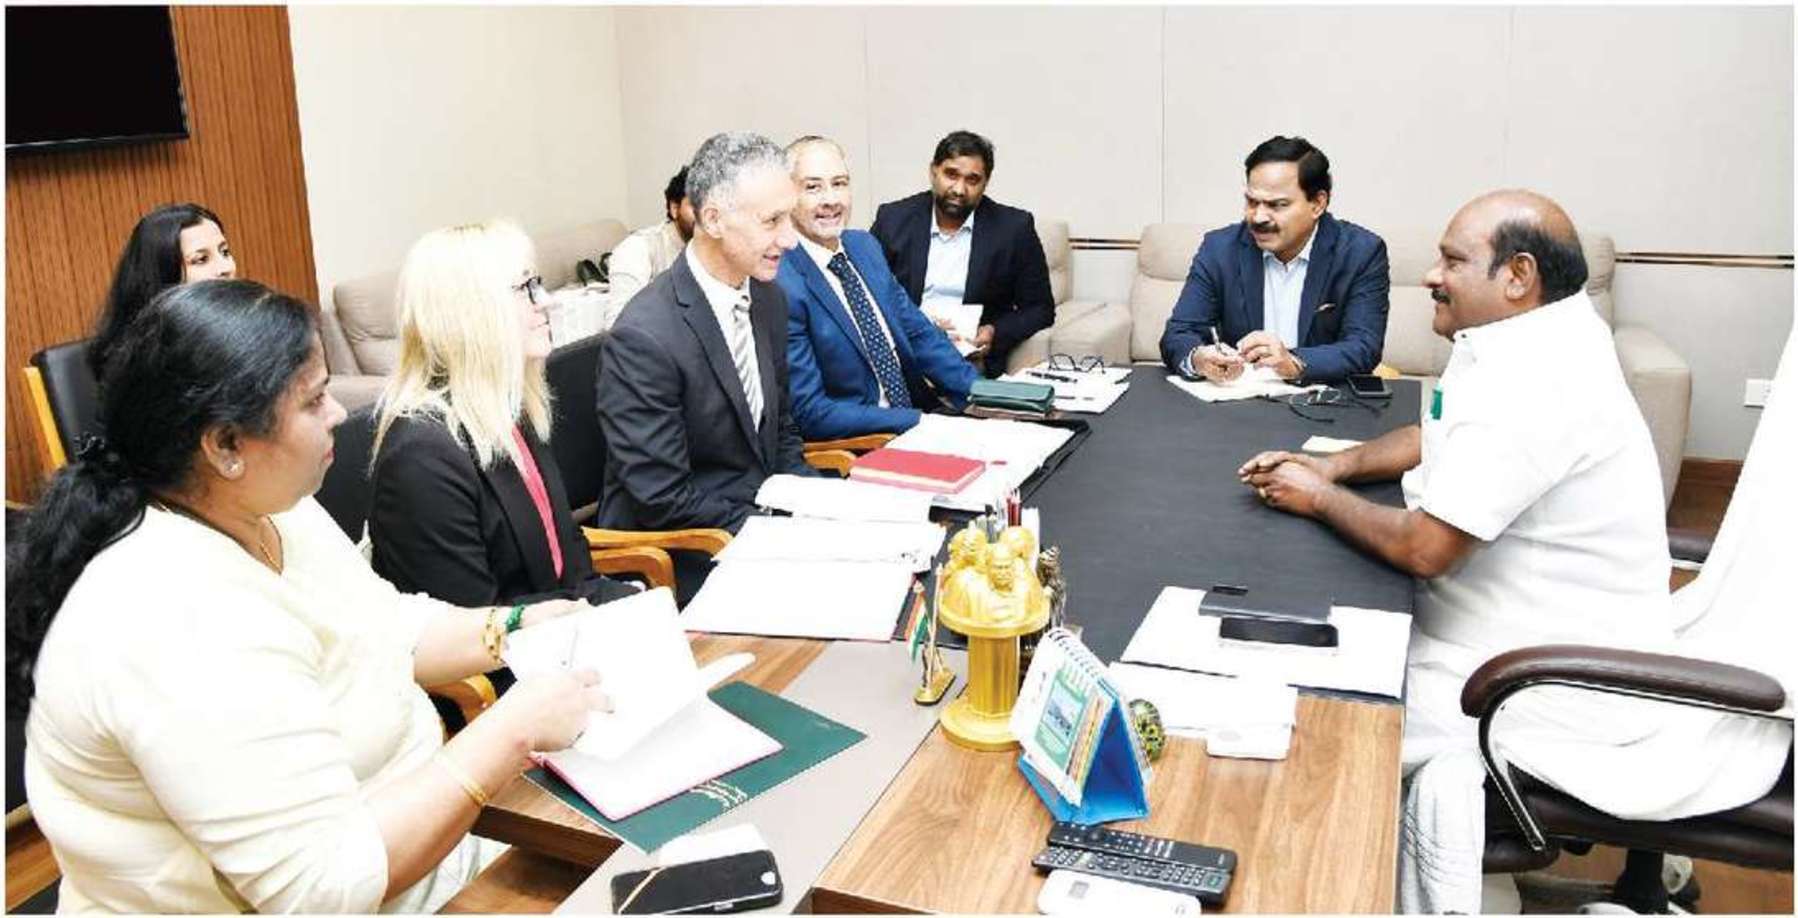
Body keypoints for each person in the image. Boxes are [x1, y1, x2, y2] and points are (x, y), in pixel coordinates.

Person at [1238, 190, 1786, 912]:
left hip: (1540, 678)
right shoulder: (1529, 337)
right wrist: (1337, 466)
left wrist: (1318, 497)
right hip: (1534, 633)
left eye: (1452, 261)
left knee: (1318, 728)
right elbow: (1438, 433)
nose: (1432, 275)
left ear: (1518, 276)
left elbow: (1427, 548)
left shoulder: (1539, 380)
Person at [9, 280, 610, 913]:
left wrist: (514, 628)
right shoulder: (175, 622)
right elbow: (321, 889)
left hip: (435, 857)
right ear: (226, 445)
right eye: (314, 399)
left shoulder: (270, 507)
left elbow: (383, 629)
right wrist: (511, 732)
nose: (339, 415)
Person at [368, 220, 639, 620]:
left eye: (538, 284)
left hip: (565, 630)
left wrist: (638, 608)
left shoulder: (508, 407)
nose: (546, 301)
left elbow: (572, 567)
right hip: (513, 653)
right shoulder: (420, 459)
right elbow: (472, 627)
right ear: (471, 312)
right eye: (525, 288)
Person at [595, 131, 814, 540]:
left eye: (789, 217)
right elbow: (662, 498)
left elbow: (781, 430)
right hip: (686, 543)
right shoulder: (643, 337)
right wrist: (777, 533)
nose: (790, 239)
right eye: (772, 221)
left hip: (760, 515)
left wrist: (821, 506)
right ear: (712, 220)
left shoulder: (768, 298)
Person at [775, 136, 977, 440]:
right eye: (813, 187)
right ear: (787, 195)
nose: (831, 199)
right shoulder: (780, 280)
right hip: (864, 443)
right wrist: (921, 423)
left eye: (839, 183)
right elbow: (811, 413)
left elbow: (919, 335)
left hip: (922, 420)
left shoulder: (863, 246)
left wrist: (993, 395)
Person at [1159, 136, 1389, 384]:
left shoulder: (1360, 253)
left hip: (1322, 398)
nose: (1258, 217)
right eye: (1252, 202)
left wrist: (1295, 363)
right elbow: (1179, 334)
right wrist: (1198, 358)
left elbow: (1363, 347)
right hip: (1239, 398)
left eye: (1277, 205)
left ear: (1317, 203)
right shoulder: (1220, 249)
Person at [870, 130, 1054, 377]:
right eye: (951, 174)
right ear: (933, 171)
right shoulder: (893, 219)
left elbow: (1040, 308)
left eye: (972, 180)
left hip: (968, 357)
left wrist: (994, 332)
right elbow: (866, 292)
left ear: (985, 183)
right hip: (904, 348)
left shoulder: (1014, 229)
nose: (959, 189)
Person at [608, 166, 696, 305]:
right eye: (697, 205)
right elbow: (621, 317)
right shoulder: (637, 249)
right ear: (674, 208)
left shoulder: (718, 246)